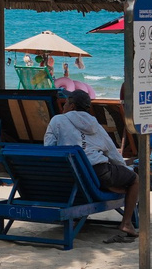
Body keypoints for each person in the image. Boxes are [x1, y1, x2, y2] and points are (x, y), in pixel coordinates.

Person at [46, 88, 139, 238]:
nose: (63, 106)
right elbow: (113, 153)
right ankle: (126, 223)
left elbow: (48, 149)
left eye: (66, 103)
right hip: (98, 173)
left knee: (104, 179)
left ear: (72, 106)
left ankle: (117, 190)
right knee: (134, 179)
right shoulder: (96, 126)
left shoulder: (57, 120)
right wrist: (124, 169)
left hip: (68, 176)